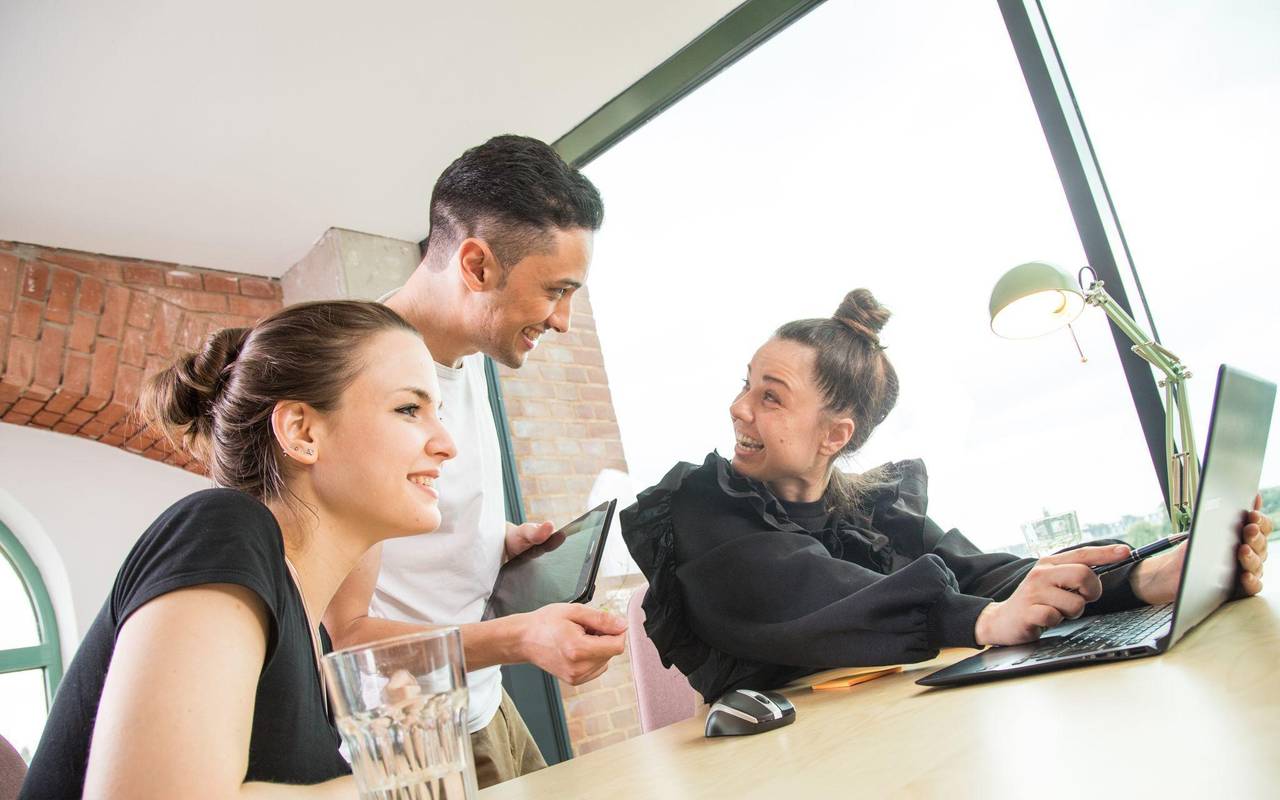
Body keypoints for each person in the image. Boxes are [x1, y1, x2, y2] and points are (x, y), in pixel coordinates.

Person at [621, 289, 1271, 702]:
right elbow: (806, 590)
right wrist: (984, 621)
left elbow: (981, 574)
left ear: (836, 434)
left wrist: (1144, 578)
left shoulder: (877, 510)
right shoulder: (700, 507)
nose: (739, 408)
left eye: (770, 395)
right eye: (747, 385)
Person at [20, 301, 457, 798]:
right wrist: (388, 780)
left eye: (437, 414)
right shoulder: (221, 527)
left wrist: (393, 755)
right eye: (408, 409)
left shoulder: (315, 638)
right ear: (302, 432)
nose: (447, 443)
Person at [323, 135, 626, 787]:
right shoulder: (364, 383)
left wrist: (497, 543)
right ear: (478, 265)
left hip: (485, 705)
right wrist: (521, 637)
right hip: (420, 735)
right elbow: (349, 638)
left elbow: (418, 537)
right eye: (556, 290)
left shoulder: (462, 364)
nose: (565, 320)